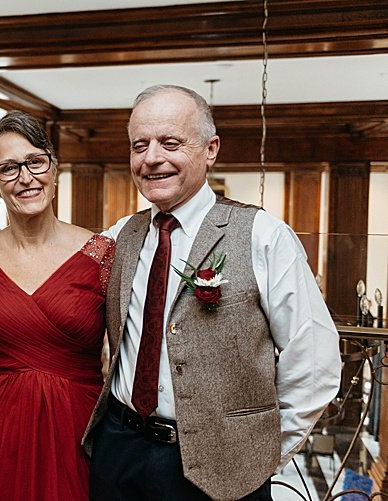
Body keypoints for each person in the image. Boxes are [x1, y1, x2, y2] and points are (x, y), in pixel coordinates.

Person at [85, 84, 341, 500]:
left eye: (170, 143)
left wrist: (258, 455)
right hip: (119, 451)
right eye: (139, 145)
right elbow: (49, 256)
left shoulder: (263, 235)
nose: (152, 158)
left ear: (210, 149)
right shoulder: (121, 235)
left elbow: (315, 362)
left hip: (225, 467)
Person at [0, 111, 112, 500]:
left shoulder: (101, 254)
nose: (25, 178)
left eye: (35, 162)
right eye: (8, 169)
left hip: (79, 430)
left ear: (54, 168)